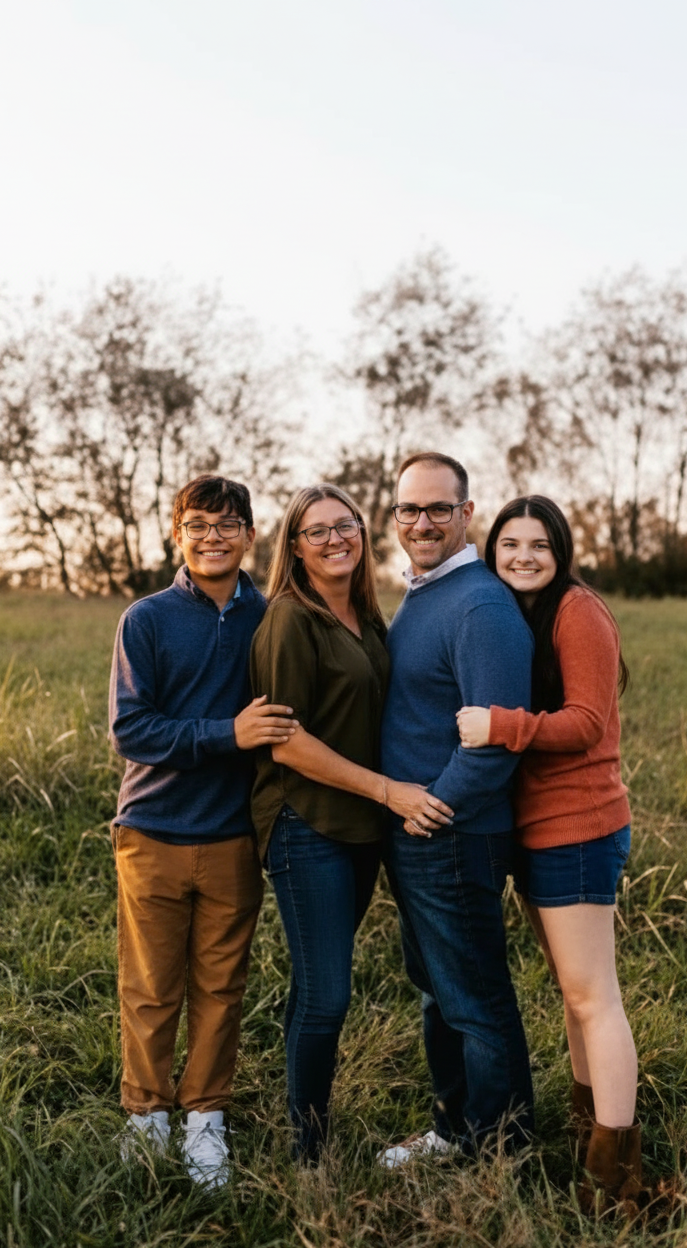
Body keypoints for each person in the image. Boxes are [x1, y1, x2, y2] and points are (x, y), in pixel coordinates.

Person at [249, 483, 454, 1163]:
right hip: (307, 825)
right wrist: (391, 791)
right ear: (295, 547)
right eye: (317, 531)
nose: (336, 539)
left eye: (347, 526)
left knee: (322, 984)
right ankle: (309, 1152)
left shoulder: (366, 618)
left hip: (363, 826)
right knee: (327, 993)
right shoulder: (289, 619)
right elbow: (287, 740)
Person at [456, 494, 644, 1214]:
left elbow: (587, 723)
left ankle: (613, 1175)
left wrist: (499, 725)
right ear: (492, 550)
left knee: (595, 997)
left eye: (539, 545)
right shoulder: (517, 615)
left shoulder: (577, 611)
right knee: (575, 997)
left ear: (561, 551)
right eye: (510, 545)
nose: (523, 557)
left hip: (580, 826)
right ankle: (588, 1132)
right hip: (537, 828)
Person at [109, 474, 297, 1189]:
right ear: (177, 534)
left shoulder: (273, 616)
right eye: (198, 525)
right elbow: (131, 728)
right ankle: (146, 1115)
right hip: (151, 829)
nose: (212, 537)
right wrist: (229, 733)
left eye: (228, 525)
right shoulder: (147, 619)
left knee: (221, 985)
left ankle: (205, 1119)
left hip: (232, 836)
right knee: (152, 985)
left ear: (252, 535)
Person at [377, 451, 535, 1166]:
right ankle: (456, 1128)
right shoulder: (422, 593)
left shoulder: (479, 604)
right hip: (417, 835)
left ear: (467, 514)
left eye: (439, 508)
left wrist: (432, 806)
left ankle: (502, 1150)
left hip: (453, 835)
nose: (423, 522)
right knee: (440, 991)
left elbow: (497, 738)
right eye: (410, 508)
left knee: (474, 998)